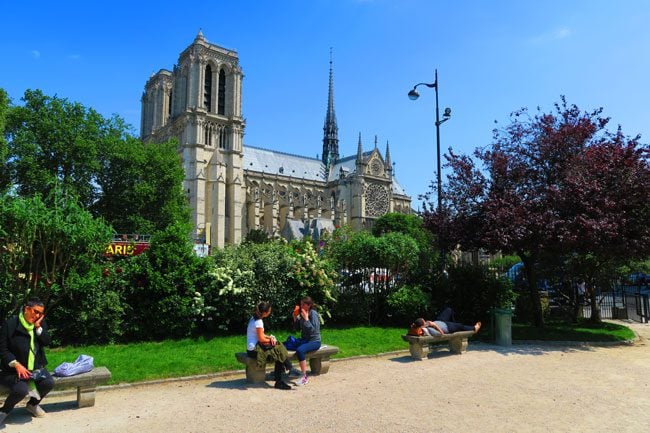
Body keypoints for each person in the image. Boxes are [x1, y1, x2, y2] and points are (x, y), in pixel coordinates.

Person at [0, 298, 55, 425]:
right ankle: (4, 411)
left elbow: (46, 342)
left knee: (48, 382)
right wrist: (16, 364)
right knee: (21, 390)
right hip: (13, 370)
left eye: (40, 314)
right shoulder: (10, 324)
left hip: (35, 368)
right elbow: (3, 350)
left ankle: (32, 405)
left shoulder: (39, 323)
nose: (37, 316)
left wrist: (38, 328)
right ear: (26, 309)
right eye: (35, 312)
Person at [246, 301, 292, 390]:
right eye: (269, 311)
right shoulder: (258, 321)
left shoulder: (254, 318)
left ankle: (288, 370)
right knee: (279, 351)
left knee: (278, 348)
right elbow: (261, 339)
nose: (270, 312)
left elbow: (261, 335)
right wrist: (272, 341)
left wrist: (270, 338)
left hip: (252, 349)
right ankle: (281, 379)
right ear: (264, 312)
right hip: (254, 351)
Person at [291, 296, 321, 386]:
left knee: (300, 350)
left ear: (309, 305)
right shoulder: (303, 313)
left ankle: (304, 377)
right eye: (301, 304)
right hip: (305, 340)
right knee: (284, 345)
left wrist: (307, 319)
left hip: (314, 341)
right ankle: (287, 369)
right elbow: (296, 328)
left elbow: (314, 331)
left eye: (303, 304)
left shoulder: (313, 314)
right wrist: (295, 317)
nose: (301, 306)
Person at [411, 307, 481, 336]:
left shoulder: (424, 325)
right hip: (447, 327)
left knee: (448, 310)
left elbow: (413, 327)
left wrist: (431, 323)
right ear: (422, 325)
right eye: (424, 321)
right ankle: (474, 329)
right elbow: (440, 334)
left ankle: (454, 324)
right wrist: (434, 325)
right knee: (460, 325)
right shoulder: (428, 329)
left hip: (440, 321)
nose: (425, 321)